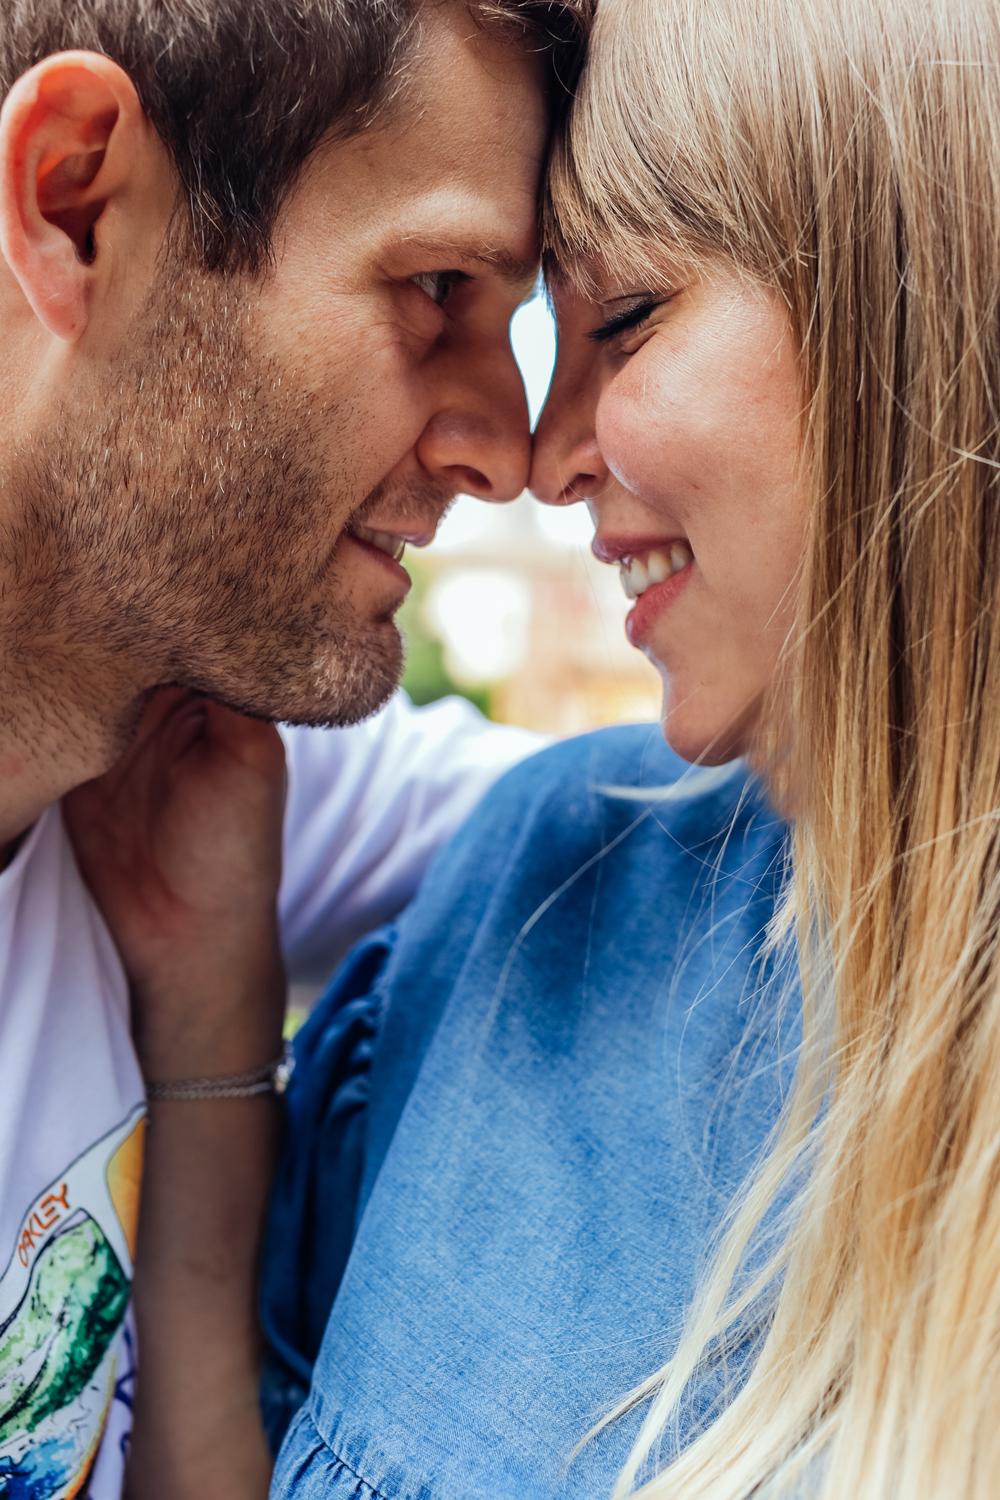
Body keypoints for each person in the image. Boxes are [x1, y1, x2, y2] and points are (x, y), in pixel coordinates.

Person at [79, 0, 1000, 1495]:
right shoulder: (546, 881)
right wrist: (207, 1037)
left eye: (625, 318)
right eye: (452, 296)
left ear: (919, 302)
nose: (534, 455)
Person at [0, 2, 590, 1497]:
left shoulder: (196, 769)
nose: (509, 450)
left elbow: (696, 833)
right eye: (436, 288)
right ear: (75, 204)